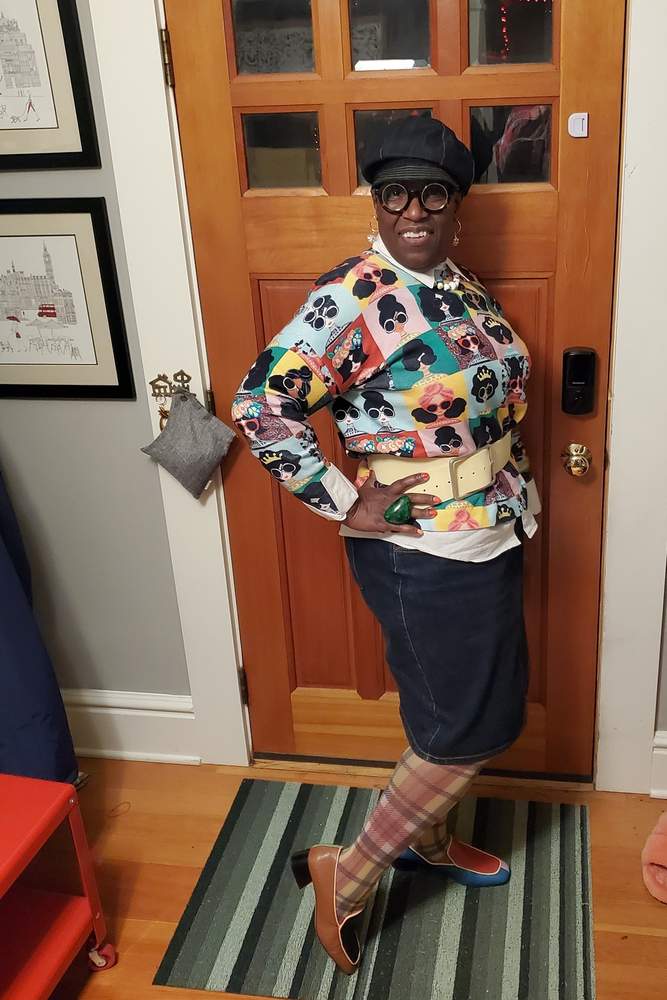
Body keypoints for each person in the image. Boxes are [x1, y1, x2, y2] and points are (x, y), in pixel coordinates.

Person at [232, 115, 540, 975]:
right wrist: (342, 499)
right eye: (394, 192)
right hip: (422, 547)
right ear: (375, 199)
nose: (412, 210)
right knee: (463, 728)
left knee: (456, 711)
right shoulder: (354, 294)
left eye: (432, 193)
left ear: (456, 205)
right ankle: (350, 872)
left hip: (491, 527)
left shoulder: (457, 284)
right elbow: (261, 405)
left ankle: (428, 842)